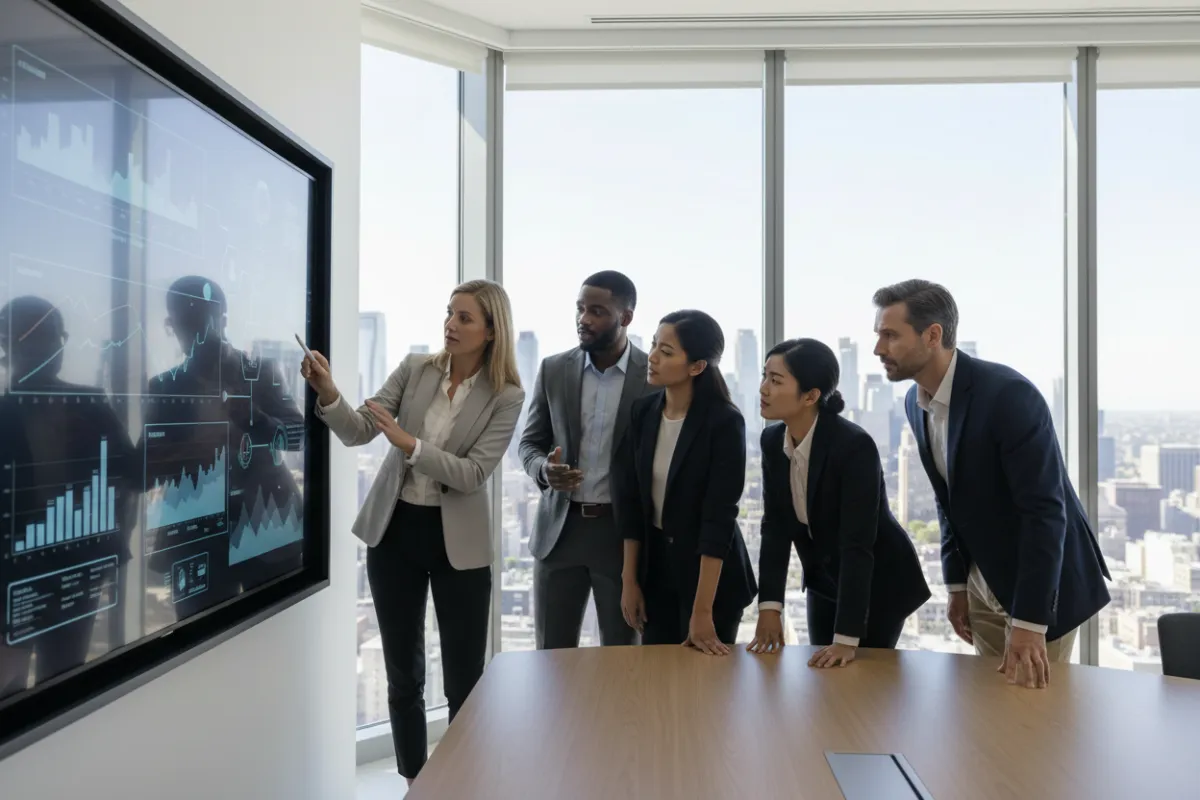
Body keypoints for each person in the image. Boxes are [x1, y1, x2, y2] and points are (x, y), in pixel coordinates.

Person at [302, 279, 523, 782]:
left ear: (491, 331)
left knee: (465, 679)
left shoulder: (506, 395)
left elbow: (472, 474)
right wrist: (330, 393)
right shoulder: (415, 369)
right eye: (449, 313)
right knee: (403, 674)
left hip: (458, 547)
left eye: (464, 318)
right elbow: (360, 429)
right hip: (396, 532)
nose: (450, 324)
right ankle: (414, 782)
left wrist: (409, 443)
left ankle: (463, 782)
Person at [872, 279, 1110, 689]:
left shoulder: (1008, 395)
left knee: (1034, 717)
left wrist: (1031, 621)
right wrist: (957, 585)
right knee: (991, 708)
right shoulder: (916, 401)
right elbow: (948, 501)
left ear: (933, 336)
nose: (878, 349)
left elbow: (1044, 512)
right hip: (981, 579)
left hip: (1041, 585)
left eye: (890, 335)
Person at [747, 338, 930, 666]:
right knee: (822, 679)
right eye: (764, 376)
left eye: (775, 381)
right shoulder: (772, 440)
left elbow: (857, 545)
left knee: (865, 684)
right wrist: (770, 607)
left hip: (879, 584)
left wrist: (847, 639)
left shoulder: (853, 446)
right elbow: (775, 528)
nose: (763, 388)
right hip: (824, 581)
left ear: (811, 396)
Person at [519, 271, 656, 649]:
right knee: (552, 657)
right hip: (559, 534)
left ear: (626, 317)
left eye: (597, 311)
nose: (584, 319)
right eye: (580, 309)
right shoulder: (553, 369)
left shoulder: (653, 377)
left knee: (623, 657)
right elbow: (529, 444)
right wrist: (545, 471)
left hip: (621, 536)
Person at [614, 310, 756, 653]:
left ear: (696, 366)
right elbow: (631, 500)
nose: (652, 357)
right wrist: (629, 580)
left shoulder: (724, 422)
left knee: (705, 689)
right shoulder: (643, 412)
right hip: (656, 572)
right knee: (658, 684)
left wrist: (702, 610)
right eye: (653, 346)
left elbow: (718, 519)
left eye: (666, 352)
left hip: (711, 580)